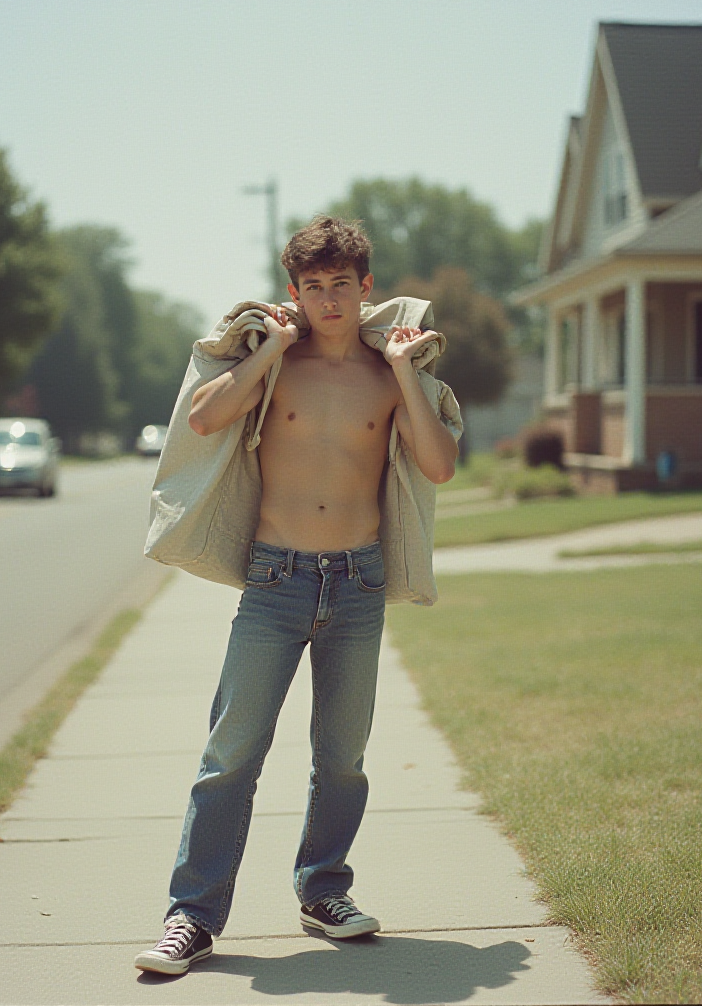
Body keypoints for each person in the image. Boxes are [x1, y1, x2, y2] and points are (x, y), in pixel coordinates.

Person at [135, 216, 459, 975]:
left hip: (359, 581)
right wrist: (273, 345)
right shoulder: (275, 364)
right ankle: (192, 917)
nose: (328, 301)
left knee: (341, 757)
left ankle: (324, 891)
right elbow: (205, 415)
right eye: (312, 288)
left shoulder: (390, 375)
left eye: (341, 285)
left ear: (364, 287)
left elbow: (438, 465)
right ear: (295, 293)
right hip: (276, 581)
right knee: (231, 754)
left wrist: (409, 373)